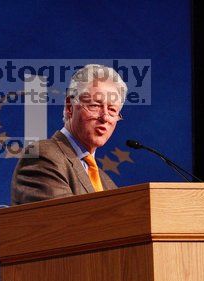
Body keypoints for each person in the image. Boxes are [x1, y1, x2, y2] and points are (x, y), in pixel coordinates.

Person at [11, 64, 127, 205]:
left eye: (112, 110)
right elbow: (64, 222)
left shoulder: (108, 185)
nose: (105, 118)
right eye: (95, 106)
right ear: (69, 107)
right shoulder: (43, 157)